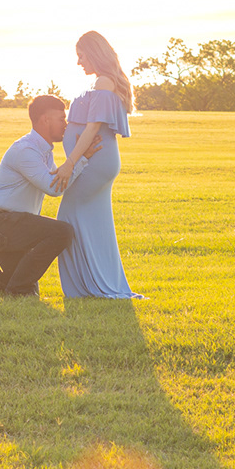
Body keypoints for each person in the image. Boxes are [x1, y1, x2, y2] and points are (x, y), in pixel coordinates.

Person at [0, 94, 97, 297]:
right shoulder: (26, 150)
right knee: (62, 232)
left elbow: (58, 182)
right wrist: (80, 159)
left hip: (6, 224)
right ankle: (18, 289)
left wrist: (80, 161)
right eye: (62, 118)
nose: (66, 124)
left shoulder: (44, 151)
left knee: (15, 284)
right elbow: (54, 187)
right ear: (45, 120)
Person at [54, 30, 141, 299]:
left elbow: (92, 128)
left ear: (94, 53)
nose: (79, 62)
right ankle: (96, 284)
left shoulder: (104, 82)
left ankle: (90, 286)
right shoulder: (103, 81)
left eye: (81, 56)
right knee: (92, 223)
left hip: (94, 162)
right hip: (97, 161)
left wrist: (70, 163)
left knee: (68, 219)